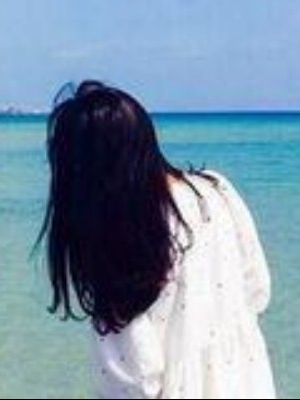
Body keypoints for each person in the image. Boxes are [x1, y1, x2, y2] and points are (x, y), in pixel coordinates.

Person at [36, 80, 277, 399]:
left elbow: (135, 378)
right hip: (245, 384)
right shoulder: (217, 190)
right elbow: (256, 290)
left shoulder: (125, 227)